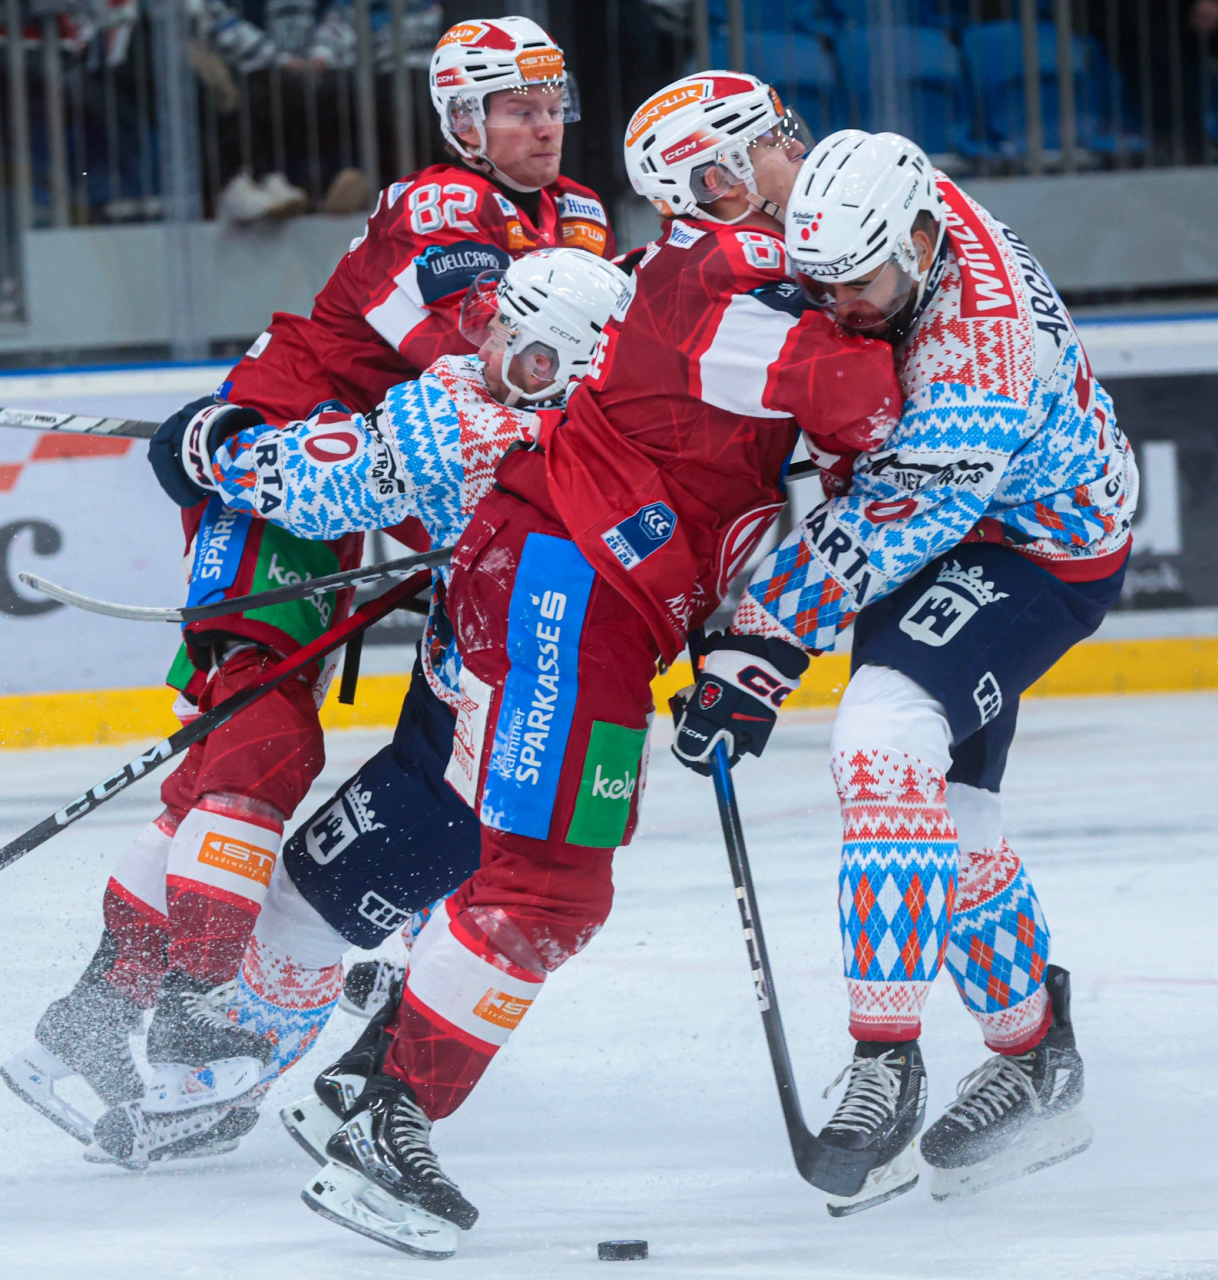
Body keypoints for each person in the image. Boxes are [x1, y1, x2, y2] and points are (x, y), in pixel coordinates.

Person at [287, 72, 903, 1259]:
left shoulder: (732, 276)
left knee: (542, 873)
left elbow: (749, 476)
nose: (797, 152)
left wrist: (749, 631)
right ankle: (387, 1120)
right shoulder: (728, 291)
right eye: (773, 142)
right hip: (569, 590)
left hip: (588, 590)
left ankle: (362, 1083)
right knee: (550, 885)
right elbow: (872, 403)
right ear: (717, 181)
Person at [0, 16, 617, 1168]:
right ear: (463, 121)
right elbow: (485, 367)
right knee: (259, 746)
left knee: (225, 769)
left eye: (551, 102)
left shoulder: (574, 218)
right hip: (280, 469)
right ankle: (190, 1007)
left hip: (364, 492)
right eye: (513, 107)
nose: (541, 124)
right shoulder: (444, 213)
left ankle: (85, 1022)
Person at [73, 249, 626, 1172]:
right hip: (580, 725)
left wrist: (215, 445)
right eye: (496, 322)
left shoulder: (464, 422)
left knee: (310, 910)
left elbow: (323, 480)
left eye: (519, 343)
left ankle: (284, 1090)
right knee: (492, 916)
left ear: (559, 366)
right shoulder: (643, 423)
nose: (486, 341)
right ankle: (356, 1078)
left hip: (474, 736)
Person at [671, 129, 1139, 1213]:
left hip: (1033, 544)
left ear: (923, 241)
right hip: (938, 516)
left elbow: (886, 524)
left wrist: (755, 653)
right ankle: (1036, 1054)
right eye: (823, 281)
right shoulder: (874, 208)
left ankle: (886, 1062)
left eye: (862, 284)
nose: (842, 307)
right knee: (953, 817)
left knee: (881, 741)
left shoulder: (979, 363)